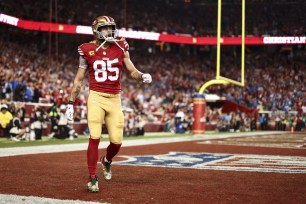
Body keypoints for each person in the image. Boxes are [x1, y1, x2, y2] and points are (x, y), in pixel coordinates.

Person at [65, 16, 152, 193]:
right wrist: (70, 103)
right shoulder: (86, 49)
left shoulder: (121, 46)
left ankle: (107, 161)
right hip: (96, 97)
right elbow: (79, 80)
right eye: (105, 28)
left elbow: (132, 70)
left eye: (111, 28)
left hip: (114, 98)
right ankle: (92, 178)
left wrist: (142, 76)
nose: (109, 31)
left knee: (117, 141)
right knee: (94, 136)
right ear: (96, 30)